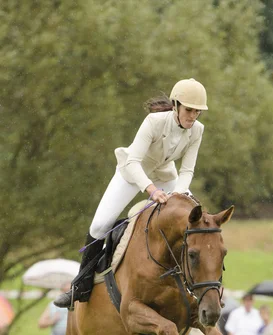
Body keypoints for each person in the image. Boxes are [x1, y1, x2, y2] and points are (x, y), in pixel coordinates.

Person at [54, 78, 208, 310]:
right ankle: (80, 286)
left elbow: (187, 170)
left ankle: (195, 287)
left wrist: (176, 196)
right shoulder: (153, 122)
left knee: (190, 218)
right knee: (99, 226)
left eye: (197, 112)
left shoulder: (197, 130)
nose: (193, 116)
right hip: (131, 173)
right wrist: (151, 191)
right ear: (175, 106)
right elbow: (134, 161)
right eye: (189, 110)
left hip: (165, 176)